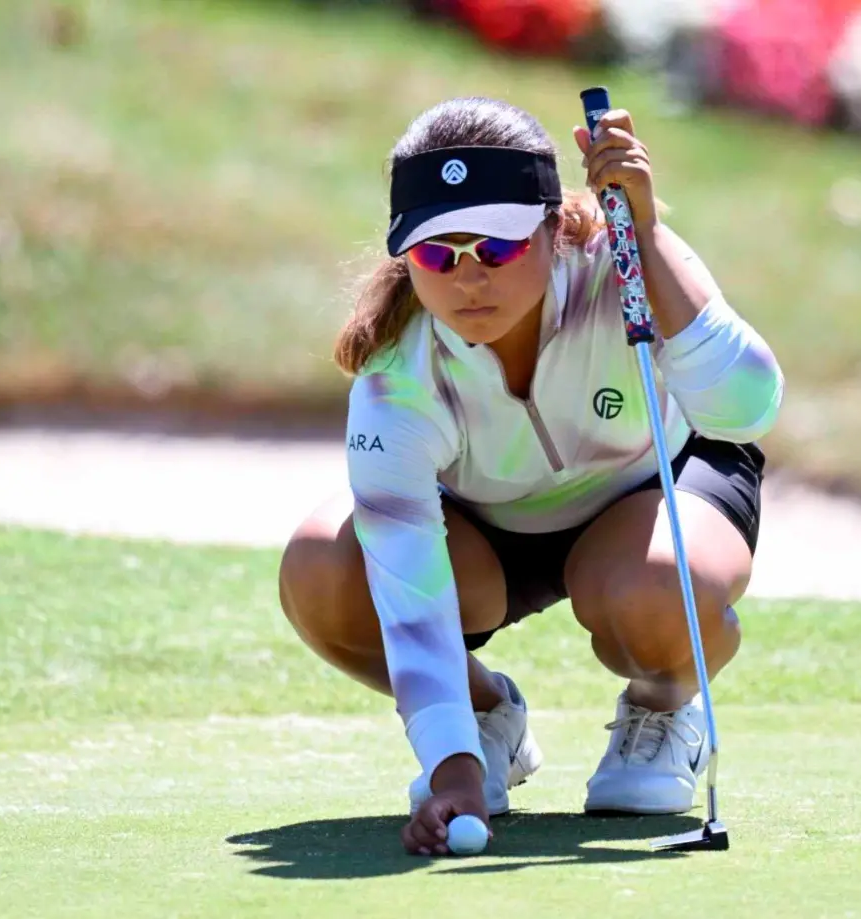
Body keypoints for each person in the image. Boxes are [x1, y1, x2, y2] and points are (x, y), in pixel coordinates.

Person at [279, 96, 784, 857]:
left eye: (498, 248)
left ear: (553, 229)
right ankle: (487, 721)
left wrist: (643, 235)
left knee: (653, 586)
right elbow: (409, 589)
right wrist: (449, 766)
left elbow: (748, 406)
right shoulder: (398, 378)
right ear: (404, 256)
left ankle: (662, 705)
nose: (468, 277)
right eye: (437, 255)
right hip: (491, 527)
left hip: (655, 484)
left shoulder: (622, 261)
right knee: (323, 568)